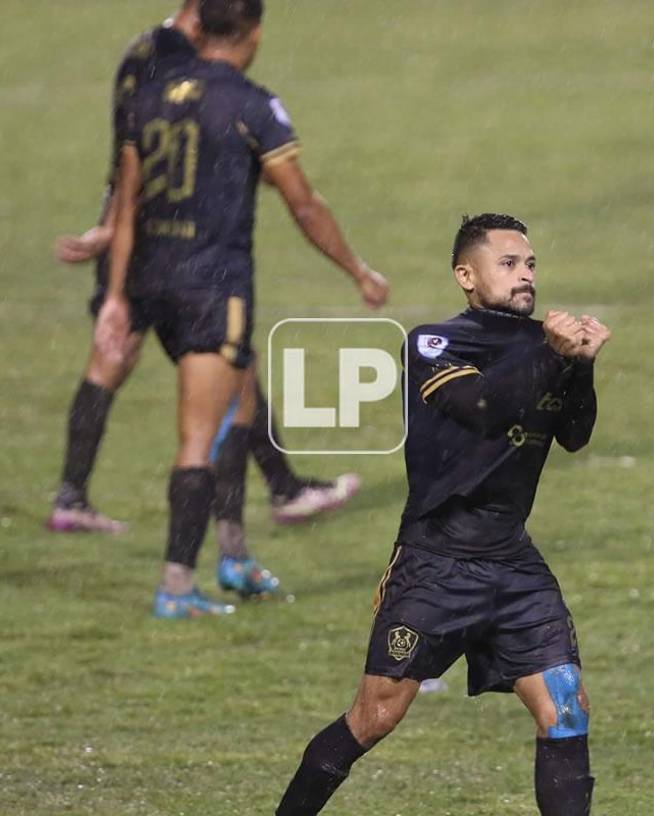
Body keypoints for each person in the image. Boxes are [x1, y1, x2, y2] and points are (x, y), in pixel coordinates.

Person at [275, 214, 608, 815]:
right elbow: (480, 405)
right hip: (437, 563)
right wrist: (550, 358)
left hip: (512, 562)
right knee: (374, 717)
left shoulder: (544, 343)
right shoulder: (433, 342)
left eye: (530, 264)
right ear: (466, 275)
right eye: (508, 264)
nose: (525, 275)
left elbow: (576, 434)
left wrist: (579, 364)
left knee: (565, 706)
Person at [97, 0, 388, 617]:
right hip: (210, 287)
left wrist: (118, 298)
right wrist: (357, 270)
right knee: (201, 436)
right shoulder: (252, 103)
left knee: (243, 401)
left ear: (197, 26)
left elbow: (126, 204)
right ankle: (177, 584)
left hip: (154, 277)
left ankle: (233, 554)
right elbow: (305, 207)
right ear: (253, 33)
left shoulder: (149, 97)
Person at [47, 0, 360, 535]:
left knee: (117, 358)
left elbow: (129, 153)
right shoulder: (186, 61)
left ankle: (72, 496)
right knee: (224, 364)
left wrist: (108, 222)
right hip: (176, 238)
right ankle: (266, 505)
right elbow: (172, 145)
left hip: (133, 231)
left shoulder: (141, 50)